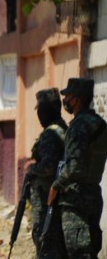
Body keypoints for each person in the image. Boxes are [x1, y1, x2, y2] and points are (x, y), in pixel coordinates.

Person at [48, 78, 107, 258]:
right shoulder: (99, 123)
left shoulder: (78, 126)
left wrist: (55, 186)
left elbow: (75, 166)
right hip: (94, 196)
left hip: (76, 199)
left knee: (78, 252)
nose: (65, 101)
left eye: (68, 96)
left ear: (76, 99)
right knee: (90, 252)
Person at [27, 88, 67, 258]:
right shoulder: (62, 128)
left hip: (47, 198)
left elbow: (48, 167)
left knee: (45, 240)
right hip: (56, 197)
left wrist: (31, 170)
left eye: (41, 109)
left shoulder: (51, 133)